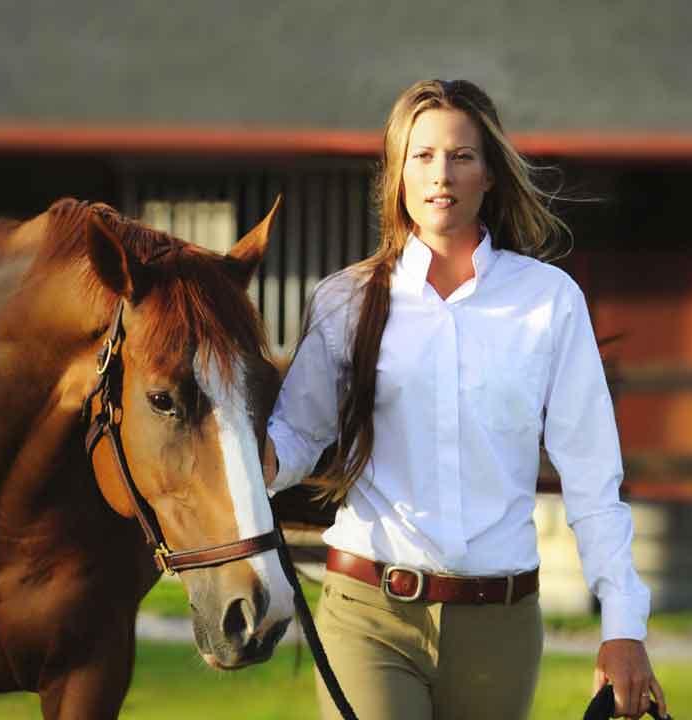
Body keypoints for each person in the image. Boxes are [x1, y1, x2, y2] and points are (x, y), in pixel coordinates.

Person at [261, 79, 668, 719]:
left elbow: (592, 477)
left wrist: (623, 627)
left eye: (461, 156)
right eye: (421, 156)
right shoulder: (345, 301)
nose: (440, 175)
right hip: (369, 609)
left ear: (491, 175)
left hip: (499, 626)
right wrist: (245, 460)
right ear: (396, 175)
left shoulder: (549, 302)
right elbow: (296, 437)